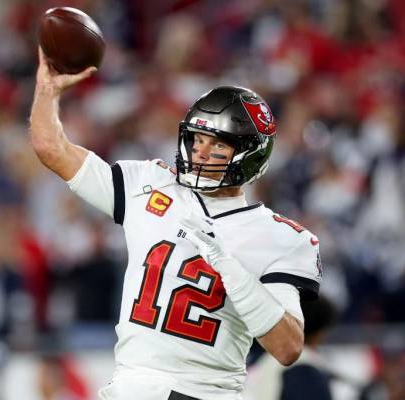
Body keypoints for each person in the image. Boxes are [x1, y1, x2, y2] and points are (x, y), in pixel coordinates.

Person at [30, 48, 322, 400]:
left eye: (216, 145)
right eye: (197, 139)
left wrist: (235, 274)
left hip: (202, 393)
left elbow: (288, 347)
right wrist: (47, 90)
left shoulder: (278, 236)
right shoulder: (150, 185)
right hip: (130, 387)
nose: (199, 152)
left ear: (250, 155)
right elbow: (51, 148)